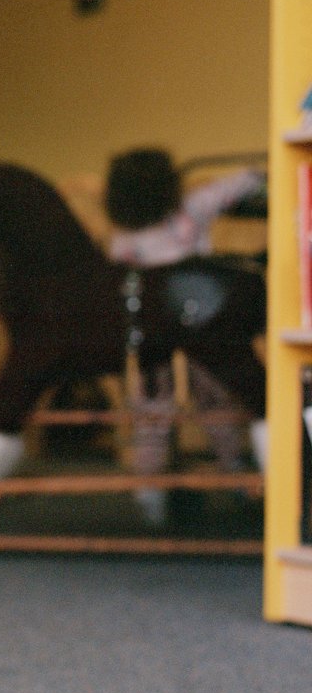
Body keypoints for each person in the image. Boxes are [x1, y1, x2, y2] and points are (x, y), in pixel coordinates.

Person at [104, 147, 266, 523]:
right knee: (216, 401)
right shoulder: (191, 210)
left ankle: (150, 496)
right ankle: (238, 480)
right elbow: (237, 185)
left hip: (152, 331)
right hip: (201, 324)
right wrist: (258, 170)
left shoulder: (122, 237)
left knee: (151, 409)